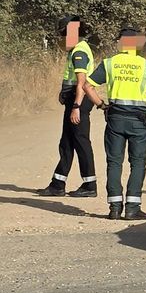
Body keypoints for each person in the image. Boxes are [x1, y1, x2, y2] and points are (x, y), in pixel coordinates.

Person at [84, 28, 146, 220]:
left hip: (115, 118)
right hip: (138, 120)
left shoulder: (109, 63)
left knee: (114, 162)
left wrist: (102, 106)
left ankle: (114, 208)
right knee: (137, 163)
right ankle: (132, 208)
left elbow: (88, 86)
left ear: (120, 43)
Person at [40, 17, 99, 198]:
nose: (62, 39)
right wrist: (63, 92)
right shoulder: (77, 49)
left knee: (81, 142)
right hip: (73, 99)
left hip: (78, 101)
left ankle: (90, 185)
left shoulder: (79, 52)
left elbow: (81, 82)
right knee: (66, 142)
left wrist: (76, 106)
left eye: (64, 35)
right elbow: (71, 79)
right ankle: (57, 184)